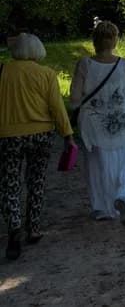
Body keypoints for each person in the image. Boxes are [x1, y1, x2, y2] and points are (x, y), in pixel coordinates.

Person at [0, 33, 74, 260]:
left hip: (8, 135)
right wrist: (67, 134)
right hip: (41, 135)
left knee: (10, 184)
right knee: (36, 180)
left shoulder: (2, 72)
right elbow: (56, 107)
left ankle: (14, 227)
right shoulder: (47, 74)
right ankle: (33, 228)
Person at [70, 22, 125, 226]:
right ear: (115, 41)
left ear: (94, 41)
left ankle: (102, 209)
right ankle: (123, 196)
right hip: (123, 123)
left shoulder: (84, 64)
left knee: (97, 166)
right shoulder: (124, 64)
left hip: (94, 123)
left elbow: (75, 98)